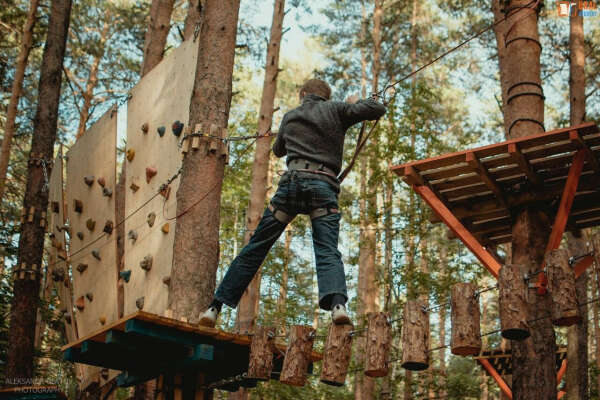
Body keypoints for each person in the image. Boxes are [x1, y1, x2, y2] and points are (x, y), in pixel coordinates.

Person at [199, 78, 386, 327]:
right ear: (326, 97)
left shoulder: (291, 116)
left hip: (290, 188)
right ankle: (338, 305)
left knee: (255, 247)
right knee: (327, 249)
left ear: (303, 93)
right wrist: (358, 103)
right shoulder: (337, 110)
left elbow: (278, 151)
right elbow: (377, 109)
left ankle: (214, 308)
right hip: (322, 188)